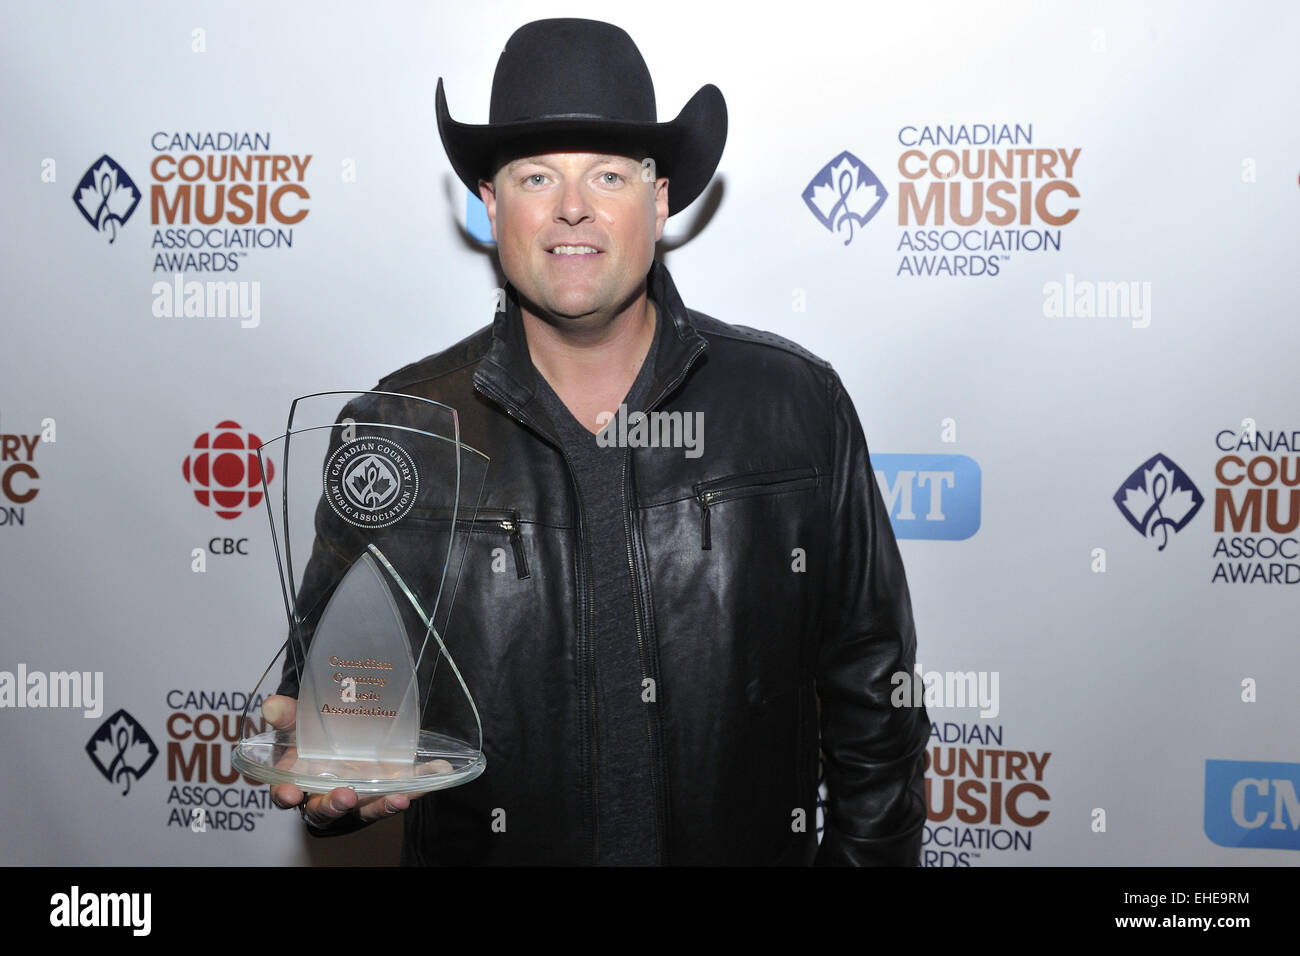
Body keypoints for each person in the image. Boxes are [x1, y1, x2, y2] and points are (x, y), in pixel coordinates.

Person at [266, 17, 928, 865]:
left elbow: (876, 705)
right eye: (536, 175)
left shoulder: (796, 407)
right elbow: (334, 711)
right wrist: (333, 787)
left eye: (607, 175)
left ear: (658, 203)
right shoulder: (398, 432)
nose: (571, 206)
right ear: (490, 205)